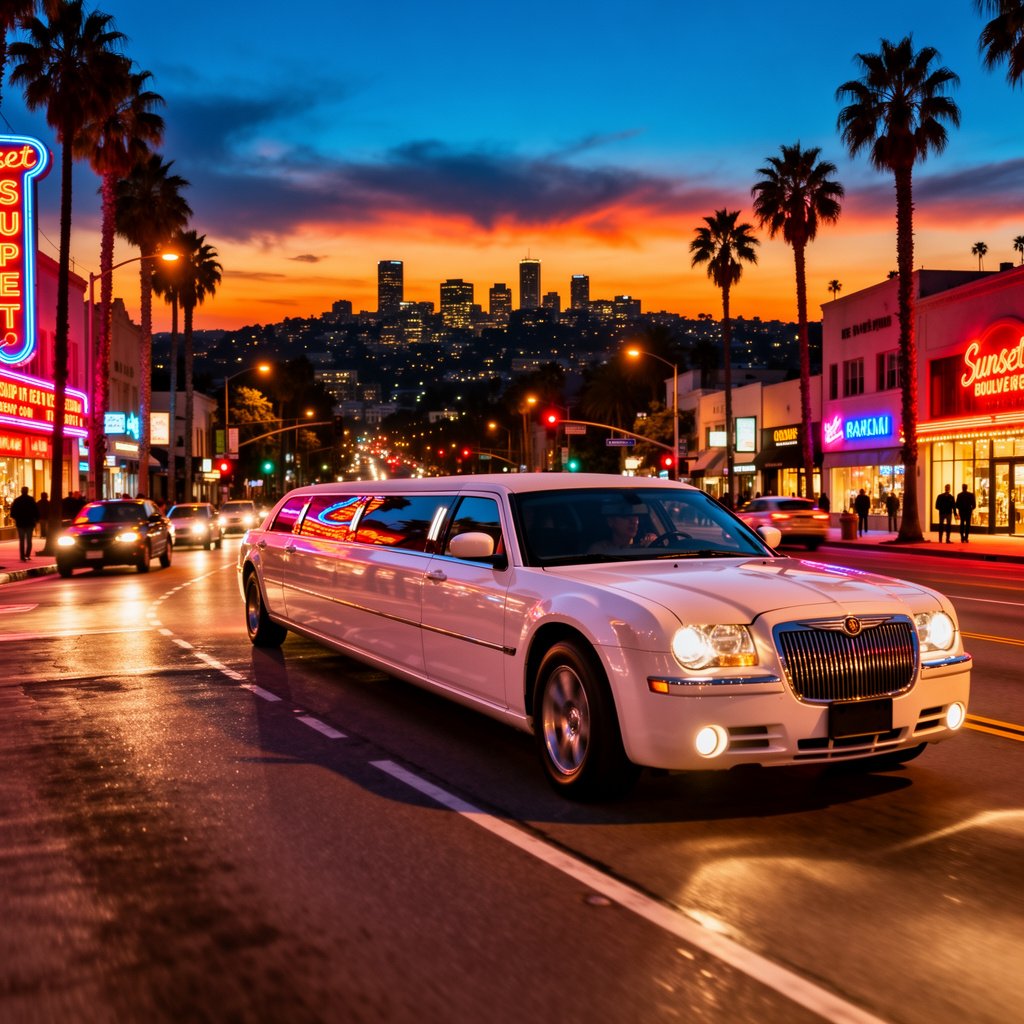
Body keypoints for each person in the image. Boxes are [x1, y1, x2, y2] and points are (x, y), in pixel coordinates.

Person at [10, 486, 39, 561]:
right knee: (29, 540)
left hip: (20, 523)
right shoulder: (31, 500)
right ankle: (27, 555)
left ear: (21, 491)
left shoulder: (17, 500)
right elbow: (36, 510)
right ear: (27, 491)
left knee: (22, 540)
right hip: (29, 522)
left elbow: (12, 512)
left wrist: (16, 518)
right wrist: (36, 519)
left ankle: (22, 556)